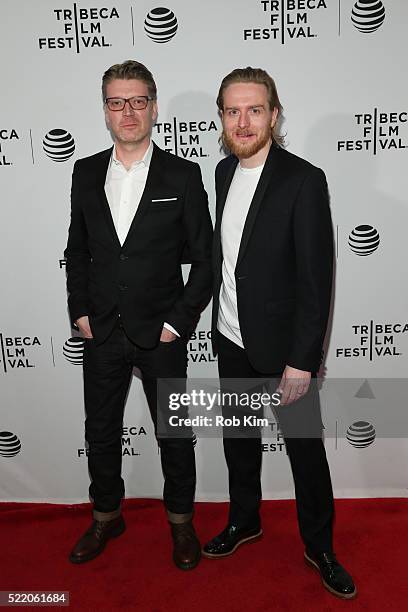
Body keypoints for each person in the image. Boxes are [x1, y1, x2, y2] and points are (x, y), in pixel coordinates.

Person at [202, 67, 356, 599]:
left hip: (285, 351)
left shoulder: (303, 180)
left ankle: (320, 546)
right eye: (232, 110)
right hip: (230, 338)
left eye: (255, 110)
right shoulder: (222, 174)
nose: (243, 122)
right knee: (239, 442)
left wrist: (302, 360)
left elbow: (318, 281)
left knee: (306, 450)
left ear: (274, 114)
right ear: (221, 116)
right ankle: (245, 521)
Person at [64, 60, 213, 570]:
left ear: (153, 105)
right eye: (116, 102)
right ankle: (106, 516)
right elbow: (77, 251)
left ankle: (181, 523)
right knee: (100, 431)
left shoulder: (184, 175)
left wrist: (179, 322)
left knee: (175, 432)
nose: (127, 112)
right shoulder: (85, 172)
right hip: (101, 330)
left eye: (137, 101)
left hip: (163, 335)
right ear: (105, 110)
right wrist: (79, 309)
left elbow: (206, 262)